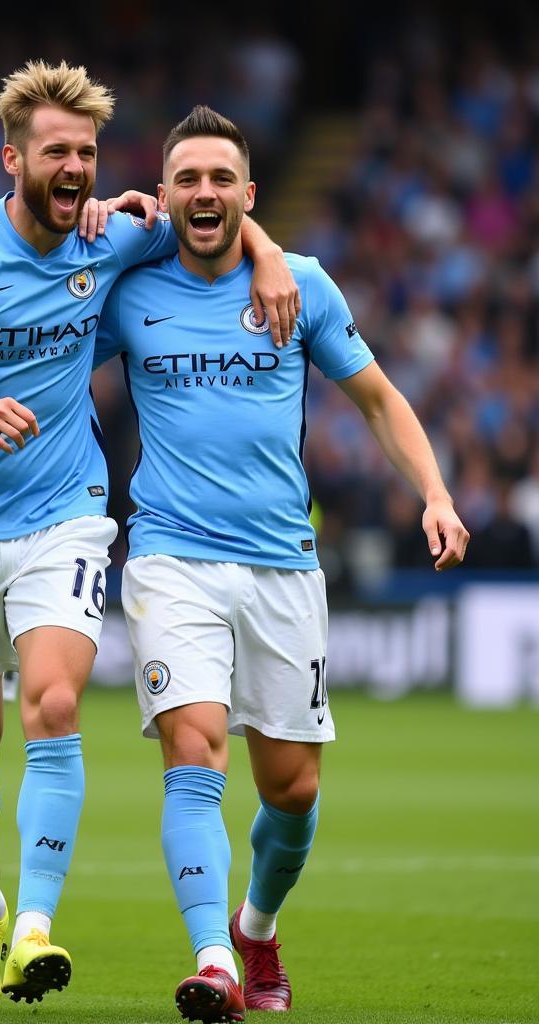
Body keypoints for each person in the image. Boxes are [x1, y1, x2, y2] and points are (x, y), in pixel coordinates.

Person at [0, 60, 299, 1013]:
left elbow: (213, 214)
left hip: (64, 511)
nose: (74, 167)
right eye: (56, 152)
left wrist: (268, 253)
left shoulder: (113, 237)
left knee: (55, 705)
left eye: (88, 154)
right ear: (12, 157)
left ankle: (30, 930)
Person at [94, 105, 470, 1022]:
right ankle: (215, 960)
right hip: (171, 557)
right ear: (167, 194)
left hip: (281, 567)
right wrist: (97, 218)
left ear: (249, 196)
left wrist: (436, 492)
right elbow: (43, 339)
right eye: (187, 178)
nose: (205, 193)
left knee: (292, 792)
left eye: (222, 179)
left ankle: (256, 925)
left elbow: (378, 399)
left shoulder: (299, 284)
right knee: (193, 752)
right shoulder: (129, 286)